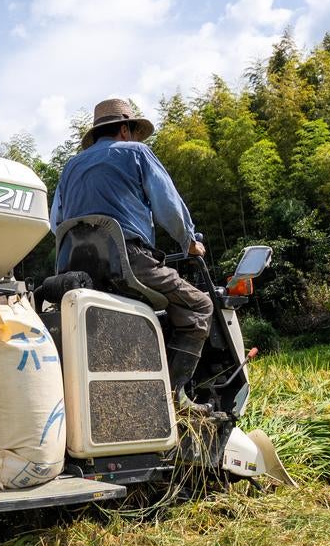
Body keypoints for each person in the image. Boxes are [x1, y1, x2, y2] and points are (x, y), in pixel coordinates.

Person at [50, 98, 214, 412]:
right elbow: (168, 206)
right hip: (129, 263)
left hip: (75, 270)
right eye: (134, 133)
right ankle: (176, 399)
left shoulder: (70, 168)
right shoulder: (137, 153)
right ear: (125, 130)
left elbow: (55, 221)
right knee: (199, 305)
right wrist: (189, 241)